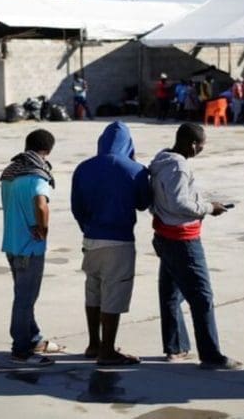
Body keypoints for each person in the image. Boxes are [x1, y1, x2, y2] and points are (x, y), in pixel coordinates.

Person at [150, 123, 241, 370]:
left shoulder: (161, 160)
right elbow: (179, 203)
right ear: (192, 144)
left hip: (165, 235)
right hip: (182, 240)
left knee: (170, 293)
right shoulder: (178, 167)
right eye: (201, 145)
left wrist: (203, 202)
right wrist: (209, 208)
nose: (201, 149)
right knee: (202, 297)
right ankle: (211, 355)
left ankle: (176, 347)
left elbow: (164, 198)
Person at [71, 122, 151, 366]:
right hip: (119, 241)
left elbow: (77, 207)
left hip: (91, 238)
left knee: (93, 291)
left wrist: (88, 227)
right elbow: (143, 203)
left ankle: (93, 344)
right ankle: (107, 350)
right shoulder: (135, 170)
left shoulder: (83, 168)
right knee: (114, 294)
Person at [1, 129, 60, 365]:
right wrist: (43, 229)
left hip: (11, 244)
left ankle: (33, 337)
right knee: (25, 299)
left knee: (24, 295)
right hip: (30, 247)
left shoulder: (11, 172)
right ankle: (21, 349)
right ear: (47, 151)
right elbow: (41, 204)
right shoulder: (37, 175)